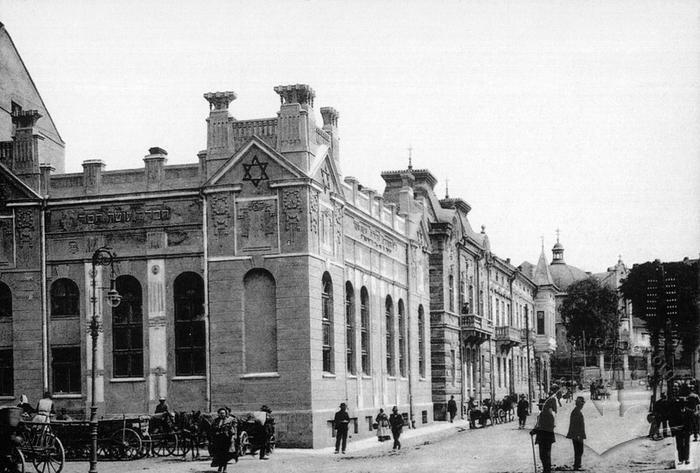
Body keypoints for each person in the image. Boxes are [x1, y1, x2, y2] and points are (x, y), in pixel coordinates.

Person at [530, 387, 558, 473]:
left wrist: (535, 431)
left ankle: (547, 470)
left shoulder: (547, 414)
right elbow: (539, 425)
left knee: (545, 455)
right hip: (545, 437)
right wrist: (534, 430)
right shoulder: (543, 413)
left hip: (545, 437)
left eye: (540, 406)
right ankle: (546, 470)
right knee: (544, 455)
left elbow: (544, 426)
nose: (539, 407)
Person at [209, 407, 237, 472]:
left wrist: (232, 438)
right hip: (218, 440)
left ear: (225, 413)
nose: (222, 414)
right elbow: (212, 430)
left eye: (223, 413)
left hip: (226, 440)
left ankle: (224, 468)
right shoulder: (215, 421)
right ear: (218, 414)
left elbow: (233, 430)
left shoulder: (230, 420)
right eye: (220, 413)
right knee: (219, 454)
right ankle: (219, 467)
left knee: (225, 454)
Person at [669, 398, 693, 464]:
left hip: (686, 431)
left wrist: (691, 431)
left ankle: (687, 459)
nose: (682, 405)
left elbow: (692, 422)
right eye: (681, 404)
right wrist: (673, 432)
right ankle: (681, 459)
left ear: (685, 404)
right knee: (679, 445)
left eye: (684, 404)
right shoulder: (675, 413)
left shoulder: (689, 412)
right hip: (678, 432)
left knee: (686, 445)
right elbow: (671, 422)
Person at [566, 396, 586, 471]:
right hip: (577, 435)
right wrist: (577, 435)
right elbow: (574, 425)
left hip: (577, 434)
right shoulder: (576, 412)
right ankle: (577, 466)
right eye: (582, 403)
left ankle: (577, 464)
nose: (583, 405)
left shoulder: (577, 411)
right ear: (579, 404)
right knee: (579, 450)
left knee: (579, 450)